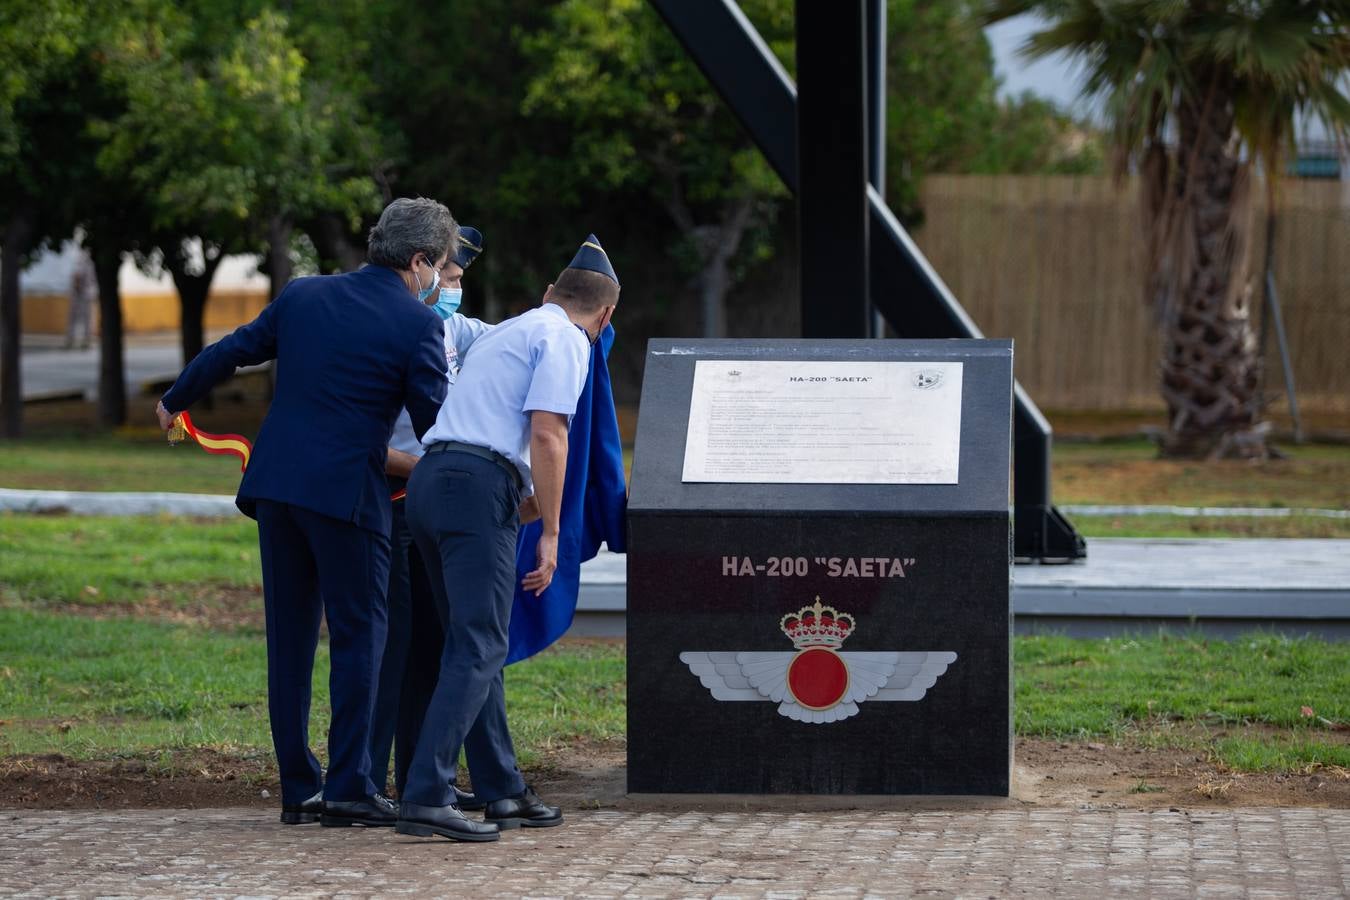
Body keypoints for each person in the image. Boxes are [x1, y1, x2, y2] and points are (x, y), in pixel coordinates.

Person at [154, 198, 455, 828]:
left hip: (277, 488)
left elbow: (234, 349)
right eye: (442, 266)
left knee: (288, 641)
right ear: (421, 261)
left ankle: (299, 786)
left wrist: (176, 398)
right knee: (359, 637)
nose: (440, 280)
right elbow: (436, 427)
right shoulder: (417, 324)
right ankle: (348, 785)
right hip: (347, 497)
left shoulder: (304, 295)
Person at [395, 235, 619, 843]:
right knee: (479, 645)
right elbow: (548, 435)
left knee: (472, 642)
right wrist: (550, 532)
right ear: (606, 316)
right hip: (475, 483)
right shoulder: (569, 340)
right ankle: (424, 795)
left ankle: (502, 789)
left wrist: (518, 509)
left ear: (548, 294)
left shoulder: (505, 332)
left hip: (431, 480)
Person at [370, 226, 494, 800]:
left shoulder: (451, 328)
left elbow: (507, 340)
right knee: (390, 650)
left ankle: (421, 779)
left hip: (427, 506)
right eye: (449, 277)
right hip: (391, 503)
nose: (454, 288)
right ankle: (366, 781)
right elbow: (363, 441)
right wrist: (428, 471)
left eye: (460, 279)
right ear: (421, 270)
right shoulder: (388, 328)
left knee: (430, 648)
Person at [67, 251, 96, 350]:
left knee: (80, 318)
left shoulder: (84, 261)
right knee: (83, 318)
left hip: (84, 293)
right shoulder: (85, 261)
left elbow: (76, 276)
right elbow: (77, 277)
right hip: (82, 293)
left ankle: (79, 339)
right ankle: (81, 339)